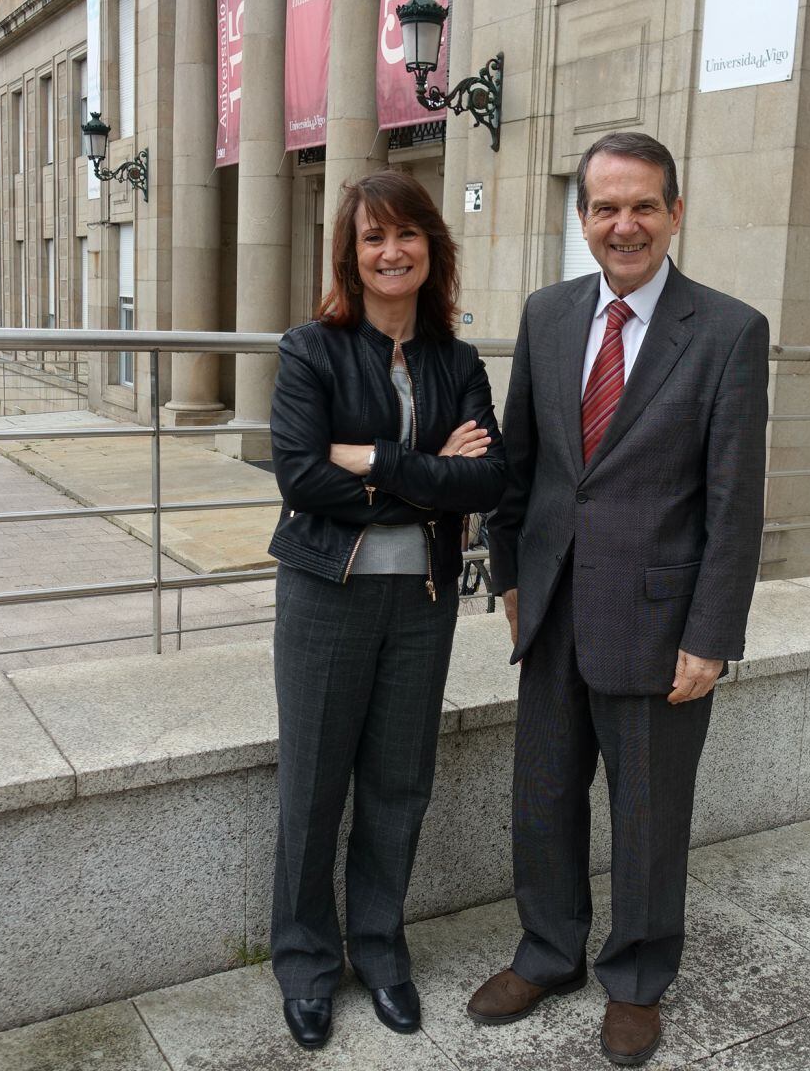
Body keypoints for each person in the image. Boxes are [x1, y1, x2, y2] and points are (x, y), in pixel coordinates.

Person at [468, 132, 769, 1066]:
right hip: (553, 605)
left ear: (675, 212)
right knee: (543, 798)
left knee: (647, 815)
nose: (624, 224)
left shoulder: (727, 331)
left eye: (643, 206)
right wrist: (510, 575)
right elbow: (519, 465)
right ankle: (549, 951)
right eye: (605, 207)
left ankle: (637, 976)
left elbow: (735, 500)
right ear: (583, 217)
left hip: (659, 620)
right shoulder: (549, 314)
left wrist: (711, 636)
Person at [268, 170, 505, 1051]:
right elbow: (300, 477)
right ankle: (305, 963)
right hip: (327, 597)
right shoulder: (310, 350)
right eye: (373, 238)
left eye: (407, 235)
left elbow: (488, 477)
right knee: (315, 785)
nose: (391, 251)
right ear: (352, 255)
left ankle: (380, 949)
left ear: (431, 249)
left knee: (399, 786)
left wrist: (373, 458)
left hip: (423, 601)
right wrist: (426, 474)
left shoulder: (457, 360)